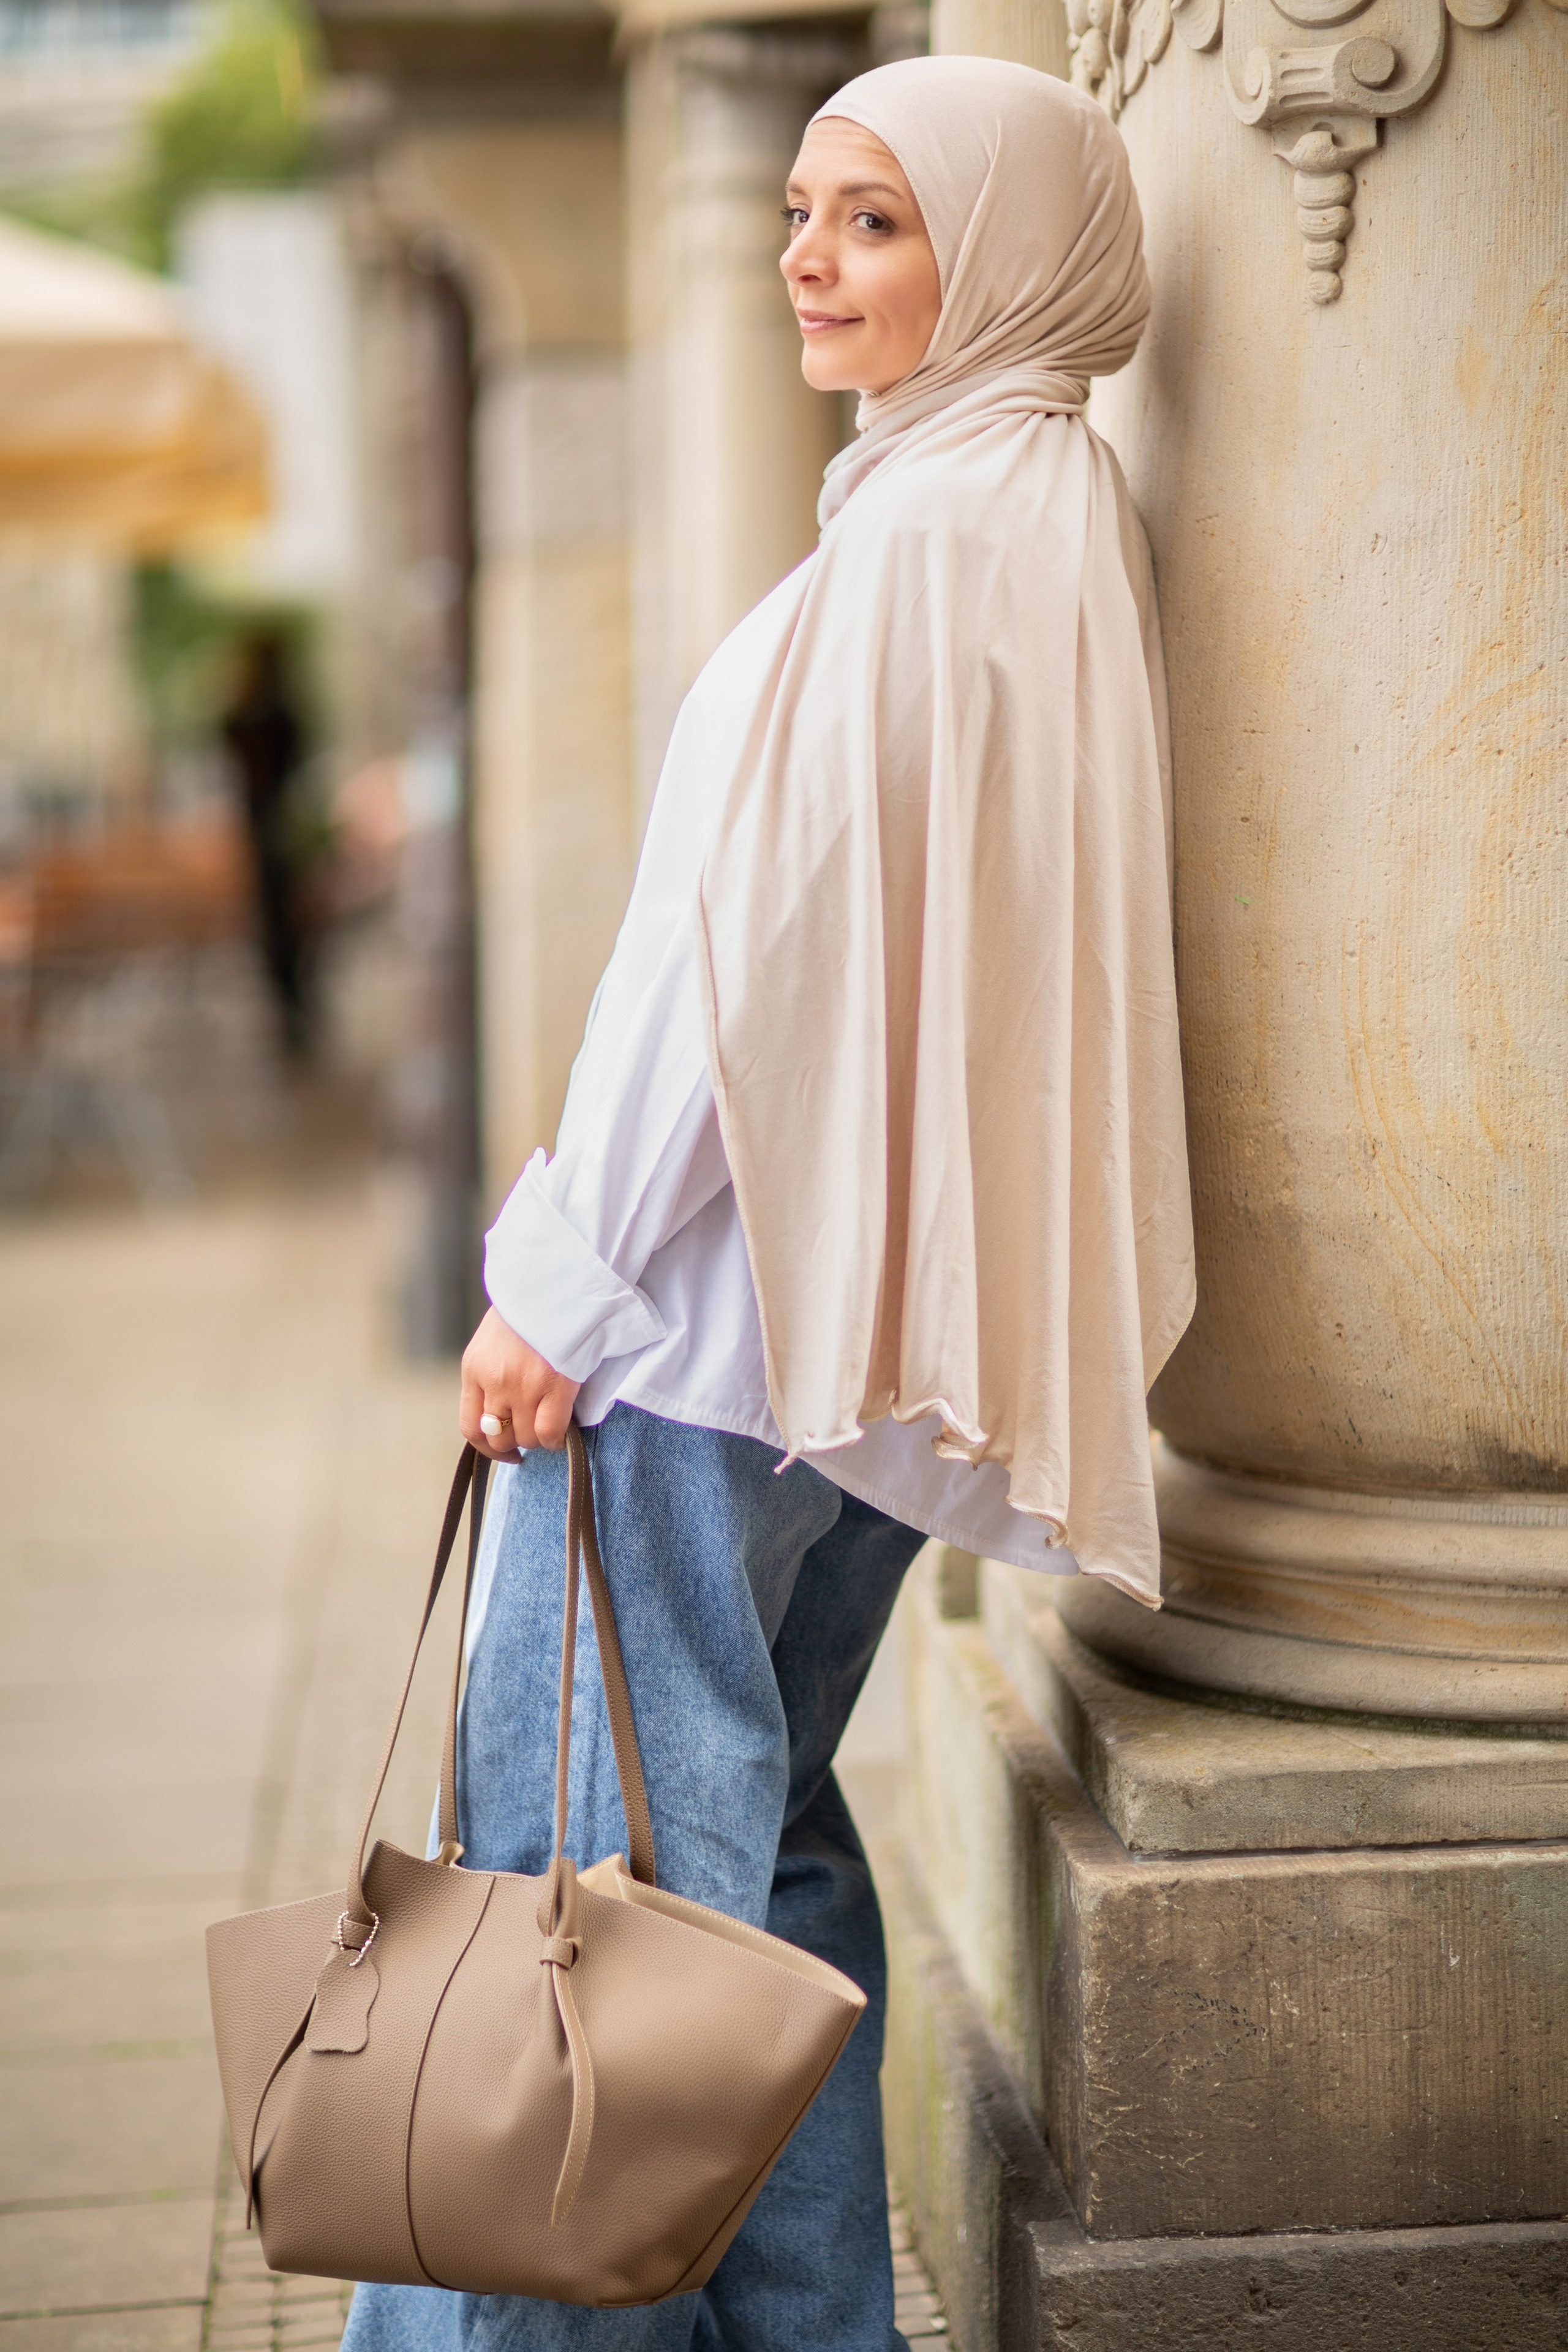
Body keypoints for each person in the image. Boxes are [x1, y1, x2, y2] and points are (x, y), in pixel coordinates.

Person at [342, 52, 1193, 2352]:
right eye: (802, 208)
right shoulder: (1031, 505)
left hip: (697, 1344)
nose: (804, 258)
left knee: (580, 1912)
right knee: (754, 1869)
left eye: (873, 220)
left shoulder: (919, 546)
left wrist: (562, 1282)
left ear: (999, 254)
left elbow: (739, 973)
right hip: (838, 1374)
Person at [219, 630, 314, 1060]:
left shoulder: (272, 714)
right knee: (280, 924)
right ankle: (291, 1009)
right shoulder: (269, 713)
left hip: (273, 829)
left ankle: (293, 1009)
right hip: (269, 828)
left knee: (283, 923)